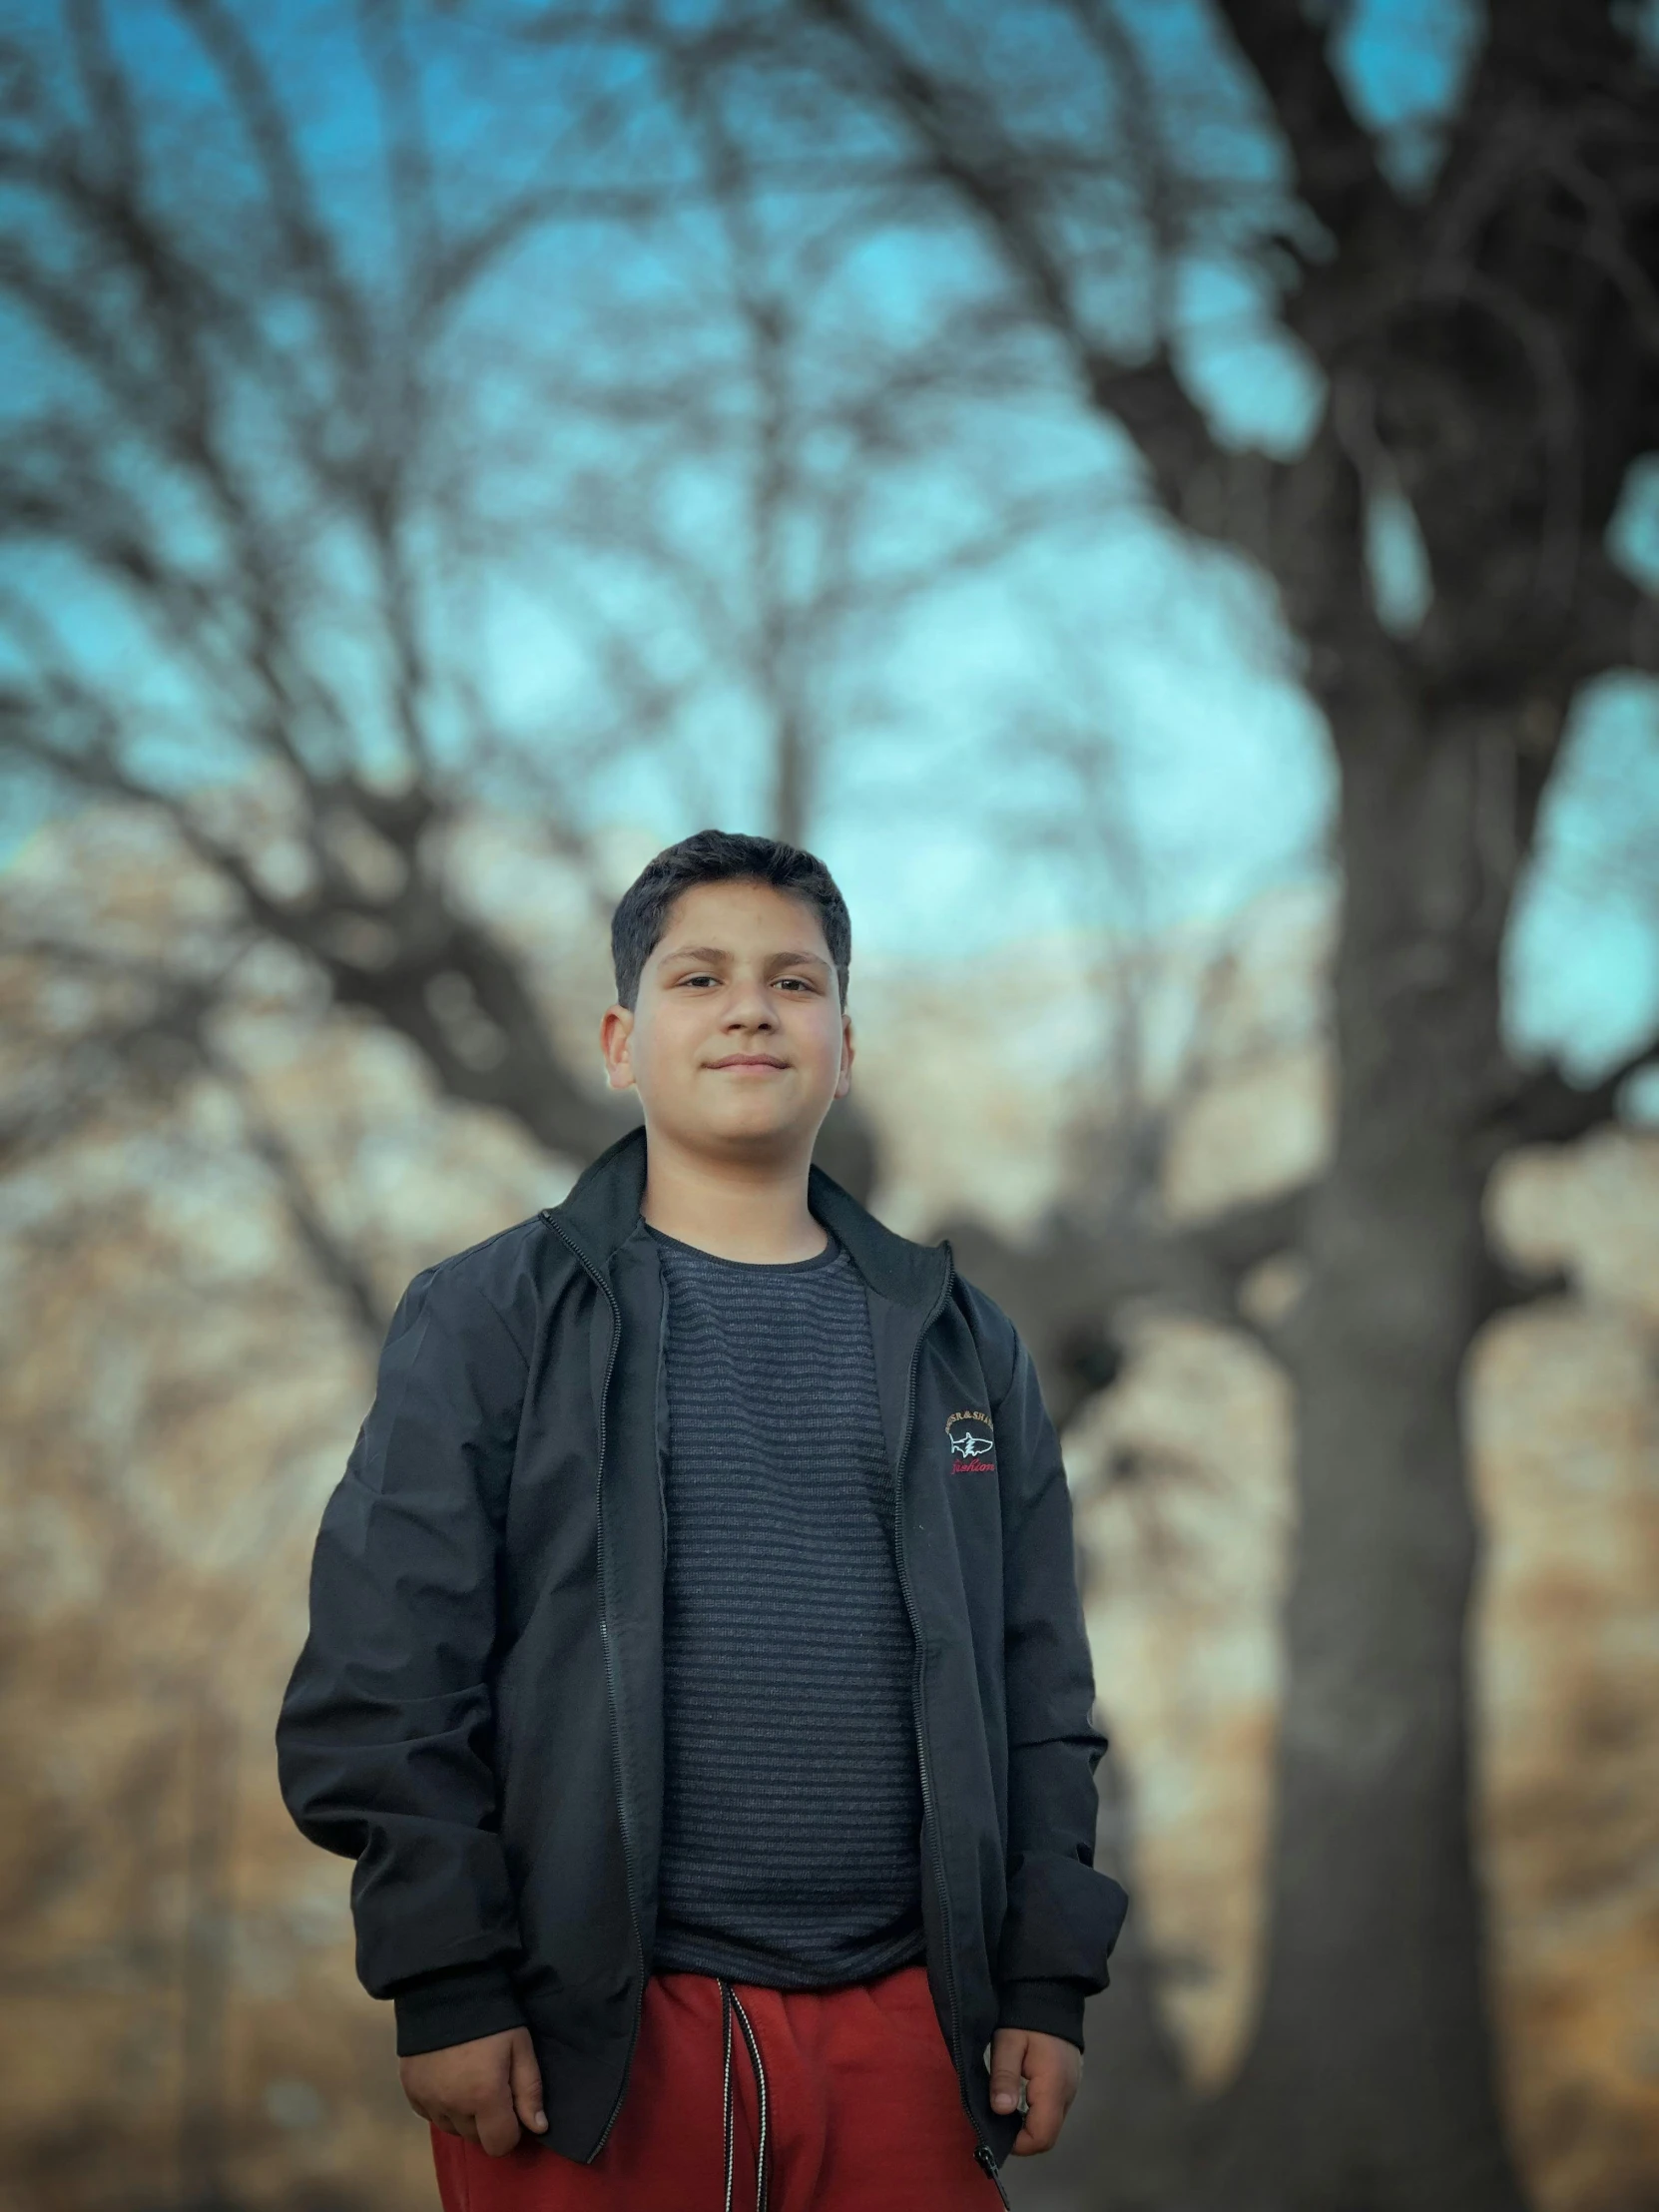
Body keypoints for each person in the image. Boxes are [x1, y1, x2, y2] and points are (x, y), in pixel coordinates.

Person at [276, 830, 1127, 2212]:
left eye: (796, 984)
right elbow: (385, 1677)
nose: (749, 1008)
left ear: (844, 1048)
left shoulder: (964, 1343)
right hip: (592, 2039)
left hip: (915, 2031)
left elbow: (1038, 1692)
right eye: (700, 979)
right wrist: (444, 1979)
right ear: (621, 1041)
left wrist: (1043, 1977)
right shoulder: (489, 1319)